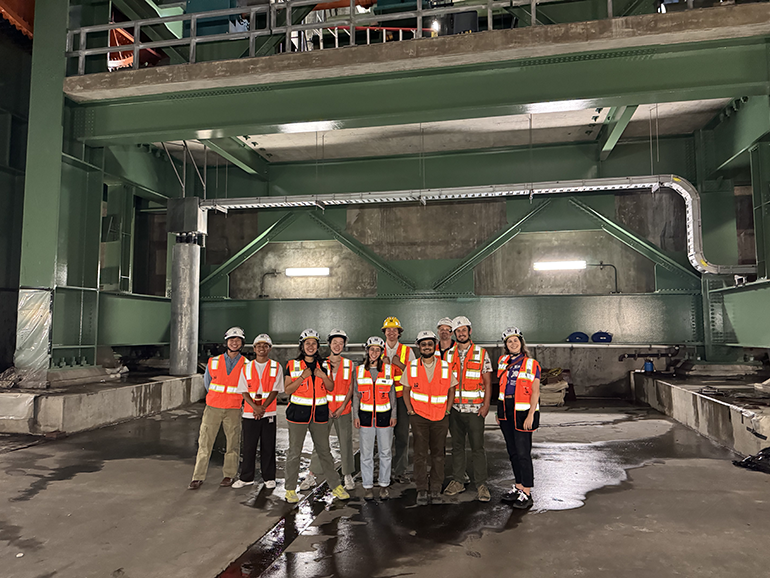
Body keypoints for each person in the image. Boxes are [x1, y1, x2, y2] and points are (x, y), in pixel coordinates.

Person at [283, 329, 351, 504]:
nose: (311, 346)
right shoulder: (292, 364)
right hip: (298, 414)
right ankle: (290, 489)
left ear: (318, 346)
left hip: (319, 414)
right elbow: (288, 390)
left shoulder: (325, 365)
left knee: (324, 452)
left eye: (314, 343)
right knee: (294, 453)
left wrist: (322, 375)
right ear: (302, 346)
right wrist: (302, 377)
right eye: (307, 343)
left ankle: (336, 486)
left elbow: (330, 386)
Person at [402, 330, 457, 506]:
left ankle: (435, 488)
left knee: (438, 454)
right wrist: (411, 411)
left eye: (430, 344)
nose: (427, 347)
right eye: (423, 344)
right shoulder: (411, 366)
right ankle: (421, 489)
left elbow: (451, 389)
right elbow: (405, 390)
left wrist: (447, 410)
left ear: (435, 346)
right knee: (420, 454)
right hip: (419, 417)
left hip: (441, 417)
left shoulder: (445, 366)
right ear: (419, 346)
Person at [189, 327, 246, 490]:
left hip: (234, 408)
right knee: (205, 443)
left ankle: (229, 475)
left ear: (242, 343)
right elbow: (208, 384)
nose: (234, 343)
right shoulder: (213, 362)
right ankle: (197, 477)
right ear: (226, 342)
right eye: (231, 340)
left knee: (233, 444)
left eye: (238, 340)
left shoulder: (246, 365)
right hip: (213, 408)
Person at [443, 316, 493, 502]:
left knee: (477, 448)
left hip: (475, 410)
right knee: (457, 447)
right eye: (458, 331)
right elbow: (445, 383)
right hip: (455, 409)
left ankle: (481, 484)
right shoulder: (448, 355)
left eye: (464, 330)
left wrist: (486, 405)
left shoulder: (481, 353)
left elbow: (488, 382)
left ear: (469, 331)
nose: (461, 333)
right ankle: (458, 481)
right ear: (454, 334)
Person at [301, 329, 356, 492]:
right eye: (335, 342)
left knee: (345, 443)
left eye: (341, 343)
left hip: (343, 410)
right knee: (320, 443)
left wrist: (340, 408)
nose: (338, 345)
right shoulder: (321, 364)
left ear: (344, 345)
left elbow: (350, 389)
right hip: (324, 410)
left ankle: (347, 475)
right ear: (329, 344)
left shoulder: (349, 364)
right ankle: (312, 475)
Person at [496, 326, 541, 509]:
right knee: (512, 452)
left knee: (523, 453)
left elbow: (535, 391)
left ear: (521, 343)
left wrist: (531, 414)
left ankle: (527, 492)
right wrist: (499, 412)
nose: (513, 343)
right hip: (505, 411)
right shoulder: (502, 361)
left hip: (522, 412)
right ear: (506, 345)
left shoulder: (532, 364)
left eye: (516, 340)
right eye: (509, 341)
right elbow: (501, 387)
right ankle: (518, 486)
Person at [232, 334, 283, 490]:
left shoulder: (276, 366)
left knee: (268, 446)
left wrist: (262, 408)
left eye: (265, 345)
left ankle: (269, 477)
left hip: (268, 413)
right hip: (249, 412)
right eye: (258, 345)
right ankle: (246, 477)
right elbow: (243, 390)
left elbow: (275, 390)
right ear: (254, 349)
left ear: (269, 348)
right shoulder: (246, 367)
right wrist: (255, 407)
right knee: (249, 446)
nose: (262, 348)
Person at [352, 336, 396, 500]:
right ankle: (368, 486)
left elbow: (392, 395)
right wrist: (355, 415)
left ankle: (384, 485)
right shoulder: (358, 371)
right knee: (366, 454)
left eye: (378, 350)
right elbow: (356, 396)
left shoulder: (388, 370)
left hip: (385, 418)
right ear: (367, 351)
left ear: (381, 352)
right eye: (372, 349)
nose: (374, 352)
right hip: (365, 418)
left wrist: (394, 415)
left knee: (385, 452)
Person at [381, 316, 416, 484]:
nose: (391, 332)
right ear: (384, 332)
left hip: (402, 399)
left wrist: (400, 365)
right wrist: (385, 365)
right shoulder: (377, 350)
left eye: (395, 330)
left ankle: (400, 471)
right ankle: (385, 470)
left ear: (399, 333)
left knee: (402, 435)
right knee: (384, 436)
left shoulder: (408, 352)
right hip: (382, 399)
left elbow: (415, 375)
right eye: (389, 329)